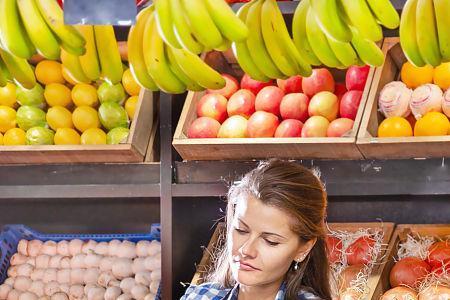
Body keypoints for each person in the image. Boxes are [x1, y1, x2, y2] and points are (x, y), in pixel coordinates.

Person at [181, 159, 332, 300]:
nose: (246, 250)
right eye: (241, 230)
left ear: (303, 249)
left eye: (270, 241)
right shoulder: (200, 296)